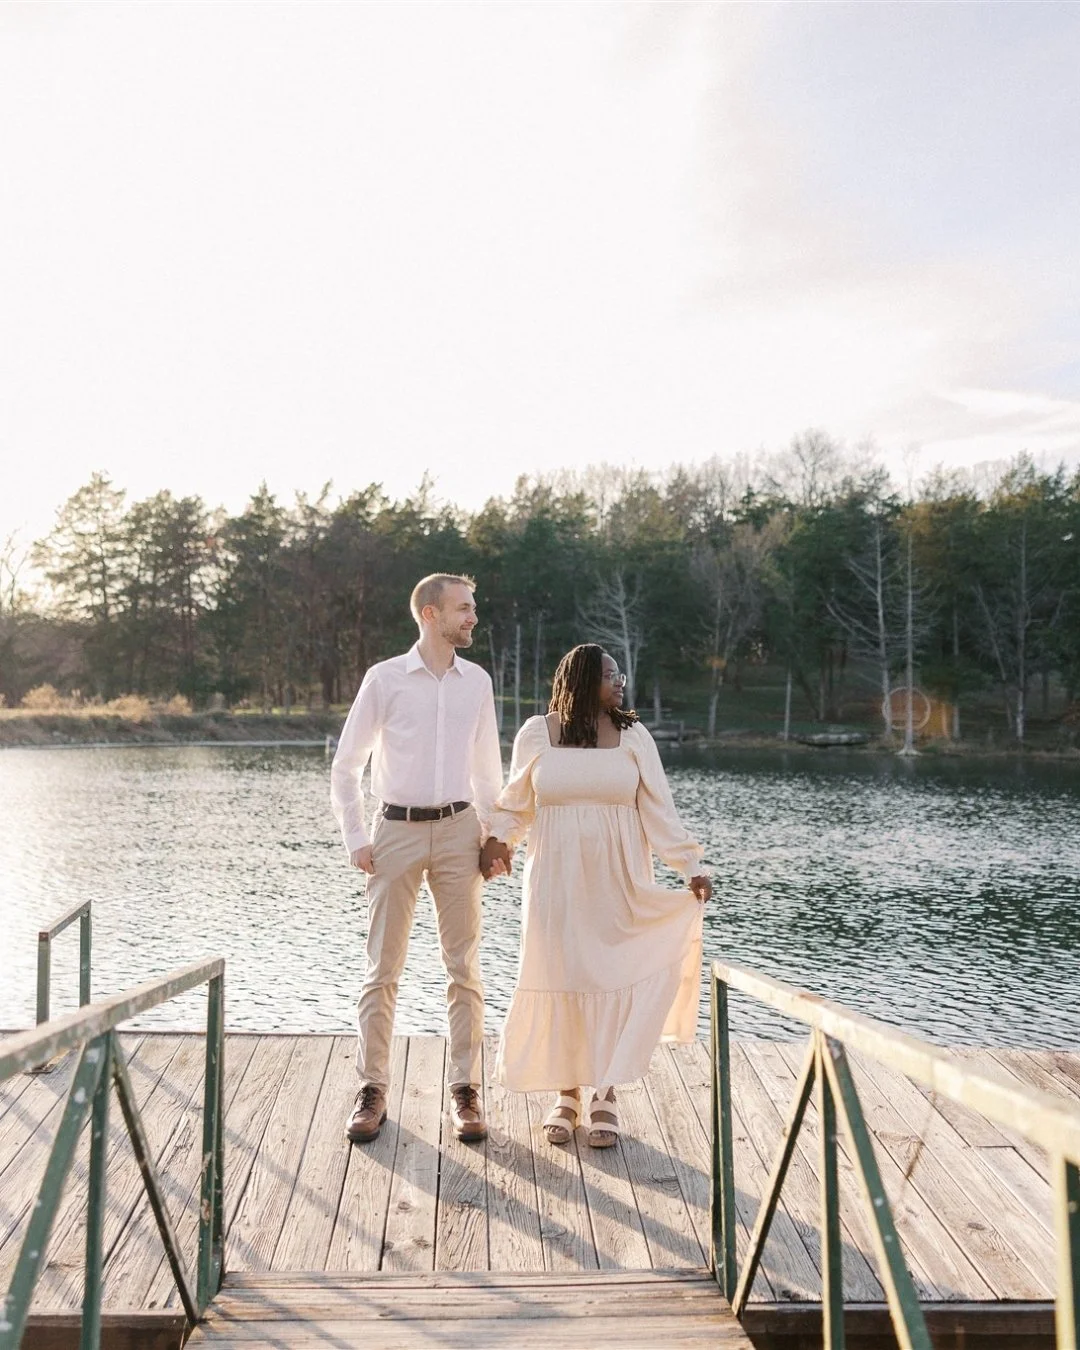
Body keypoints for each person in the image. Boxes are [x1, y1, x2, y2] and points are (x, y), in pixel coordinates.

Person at [481, 644, 711, 1148]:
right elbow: (515, 804)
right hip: (555, 882)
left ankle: (605, 1091)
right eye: (611, 674)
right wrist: (496, 842)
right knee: (560, 973)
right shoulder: (537, 733)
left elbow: (658, 809)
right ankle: (566, 1093)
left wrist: (690, 865)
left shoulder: (633, 735)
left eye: (620, 673)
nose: (620, 682)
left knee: (614, 973)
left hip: (619, 879)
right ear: (583, 679)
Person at [331, 573, 503, 1145]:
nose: (472, 617)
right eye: (463, 608)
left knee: (465, 969)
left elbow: (487, 772)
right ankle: (373, 1088)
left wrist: (493, 835)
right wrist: (357, 837)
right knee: (383, 968)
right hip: (395, 832)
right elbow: (346, 766)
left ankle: (464, 1091)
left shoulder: (476, 682)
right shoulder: (384, 679)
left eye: (473, 608)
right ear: (429, 614)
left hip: (459, 832)